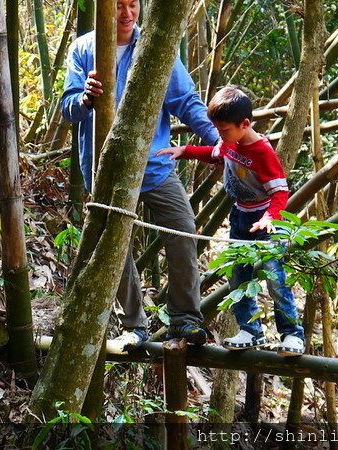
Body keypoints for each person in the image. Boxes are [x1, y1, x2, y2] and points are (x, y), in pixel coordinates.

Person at [61, 0, 219, 351]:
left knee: (182, 228)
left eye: (133, 5)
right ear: (105, 10)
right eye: (118, 6)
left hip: (155, 163)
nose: (127, 14)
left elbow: (186, 101)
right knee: (115, 247)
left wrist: (218, 143)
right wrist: (85, 99)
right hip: (103, 170)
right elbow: (68, 107)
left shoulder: (153, 47)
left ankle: (185, 319)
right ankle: (134, 325)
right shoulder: (83, 49)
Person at [156, 86, 306, 356]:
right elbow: (213, 154)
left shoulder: (262, 153)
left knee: (275, 278)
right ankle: (250, 330)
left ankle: (292, 334)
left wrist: (269, 217)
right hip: (240, 217)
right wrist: (184, 151)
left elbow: (281, 192)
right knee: (239, 275)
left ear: (245, 124)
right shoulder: (229, 143)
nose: (220, 135)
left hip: (266, 222)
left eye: (224, 130)